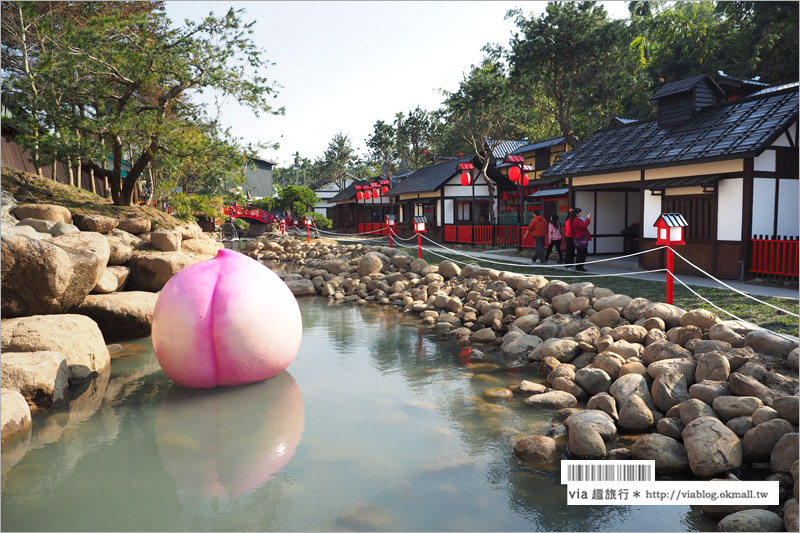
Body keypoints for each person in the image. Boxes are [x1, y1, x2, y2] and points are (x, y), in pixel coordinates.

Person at [571, 207, 592, 272]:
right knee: (581, 253)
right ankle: (579, 266)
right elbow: (583, 226)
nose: (581, 213)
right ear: (577, 214)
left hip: (581, 238)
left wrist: (588, 219)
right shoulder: (576, 220)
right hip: (580, 238)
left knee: (582, 253)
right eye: (580, 212)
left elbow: (584, 225)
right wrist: (587, 218)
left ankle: (580, 266)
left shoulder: (577, 219)